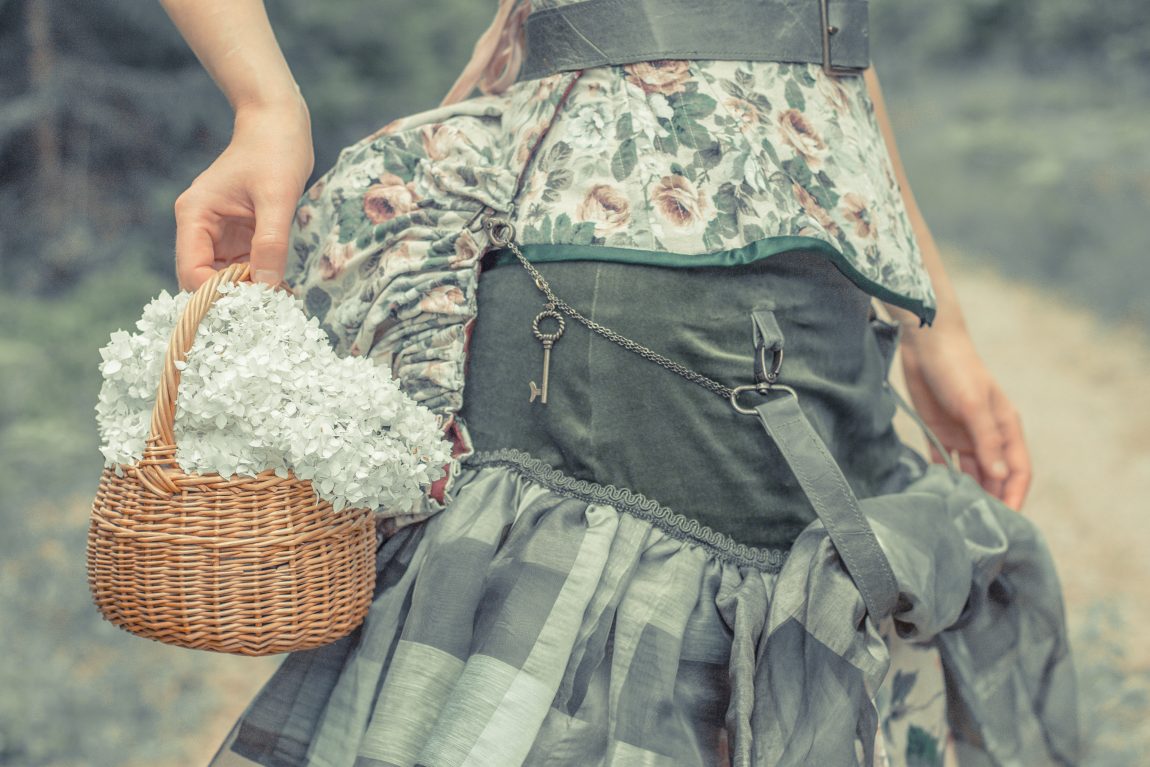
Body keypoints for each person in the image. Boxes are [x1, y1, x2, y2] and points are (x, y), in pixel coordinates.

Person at [160, 1, 1078, 765]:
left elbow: (821, 42)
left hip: (824, 299)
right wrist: (264, 104)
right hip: (624, 280)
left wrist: (934, 320)